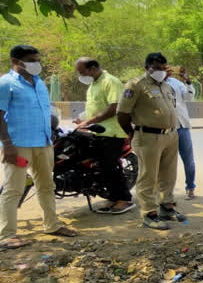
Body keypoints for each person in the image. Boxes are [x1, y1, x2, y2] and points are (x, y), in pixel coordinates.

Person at [0, 45, 78, 248]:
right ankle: (6, 235)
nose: (37, 64)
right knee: (13, 189)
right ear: (16, 61)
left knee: (46, 186)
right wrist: (7, 145)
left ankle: (52, 225)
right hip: (18, 146)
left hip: (43, 144)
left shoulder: (39, 83)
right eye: (31, 60)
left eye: (37, 60)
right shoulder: (6, 83)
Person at [117, 52, 185, 230]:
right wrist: (130, 133)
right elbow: (122, 113)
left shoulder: (167, 86)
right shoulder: (136, 85)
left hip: (170, 135)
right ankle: (149, 213)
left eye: (163, 68)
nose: (160, 71)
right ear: (147, 68)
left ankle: (167, 207)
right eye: (156, 68)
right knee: (148, 177)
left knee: (168, 175)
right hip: (147, 136)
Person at [74, 57, 135, 214]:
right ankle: (114, 197)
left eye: (82, 72)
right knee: (101, 167)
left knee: (110, 166)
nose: (80, 75)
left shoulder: (110, 81)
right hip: (97, 131)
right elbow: (96, 106)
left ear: (93, 68)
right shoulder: (94, 83)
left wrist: (89, 121)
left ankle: (124, 199)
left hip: (112, 132)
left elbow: (114, 108)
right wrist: (82, 120)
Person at [166, 66, 197, 200]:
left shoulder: (177, 83)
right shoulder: (151, 85)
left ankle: (190, 187)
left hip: (182, 126)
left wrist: (188, 82)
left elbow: (189, 97)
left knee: (188, 160)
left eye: (166, 68)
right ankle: (166, 191)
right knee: (165, 162)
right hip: (165, 128)